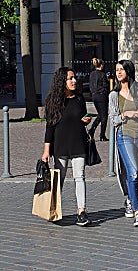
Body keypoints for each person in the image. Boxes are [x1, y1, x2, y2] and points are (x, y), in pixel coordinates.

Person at [42, 67, 92, 226]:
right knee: (58, 180)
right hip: (60, 146)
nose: (74, 81)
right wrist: (46, 151)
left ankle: (81, 212)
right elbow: (49, 127)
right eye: (70, 78)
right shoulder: (53, 101)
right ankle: (54, 210)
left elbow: (83, 116)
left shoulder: (79, 98)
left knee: (80, 177)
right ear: (62, 81)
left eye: (74, 77)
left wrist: (86, 119)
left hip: (78, 142)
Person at [109, 59, 138, 226]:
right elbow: (113, 119)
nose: (119, 73)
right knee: (133, 172)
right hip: (124, 136)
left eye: (122, 69)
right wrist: (125, 115)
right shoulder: (113, 95)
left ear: (128, 71)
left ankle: (130, 199)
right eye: (117, 70)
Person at [88, 58, 109, 141]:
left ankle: (92, 130)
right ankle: (102, 135)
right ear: (101, 65)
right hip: (101, 96)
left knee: (100, 114)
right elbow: (105, 85)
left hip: (94, 96)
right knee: (104, 116)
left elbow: (90, 85)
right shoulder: (102, 74)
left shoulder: (92, 74)